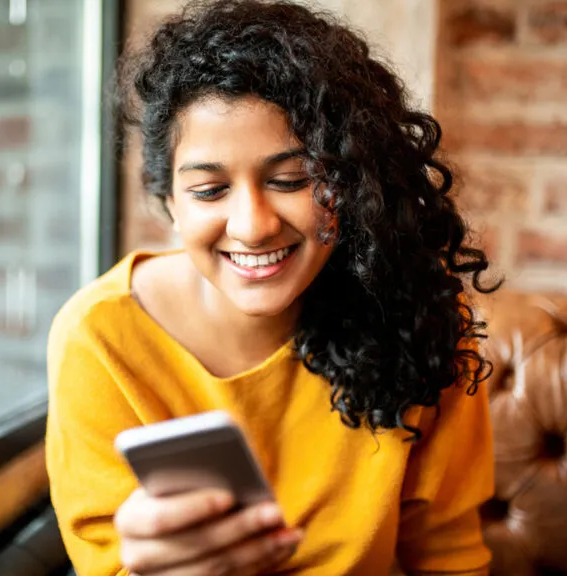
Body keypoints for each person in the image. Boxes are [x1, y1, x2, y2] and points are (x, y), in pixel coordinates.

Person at [46, 1, 500, 574]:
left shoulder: (419, 311)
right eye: (209, 191)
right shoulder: (101, 339)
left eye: (292, 180)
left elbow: (448, 556)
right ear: (170, 203)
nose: (253, 225)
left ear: (352, 181)